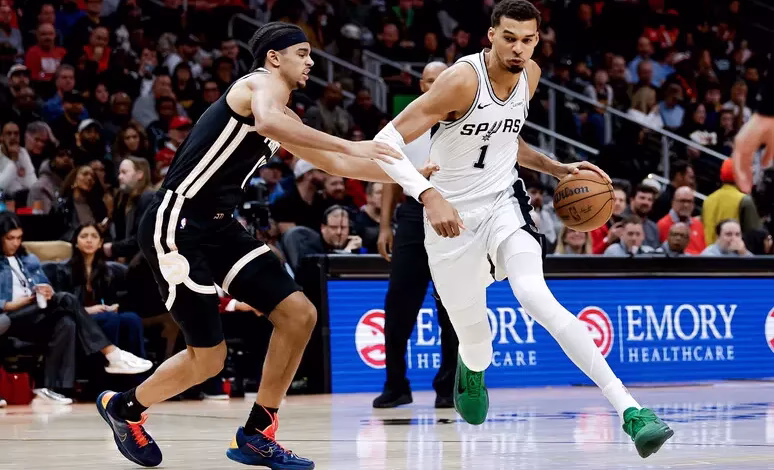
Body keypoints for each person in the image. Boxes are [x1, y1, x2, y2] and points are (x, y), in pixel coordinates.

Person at [95, 22, 452, 469]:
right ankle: (125, 407)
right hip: (177, 221)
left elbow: (335, 162)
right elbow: (275, 124)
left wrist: (412, 177)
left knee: (299, 314)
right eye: (302, 53)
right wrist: (352, 143)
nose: (311, 61)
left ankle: (257, 433)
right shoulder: (256, 86)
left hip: (220, 227)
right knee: (209, 360)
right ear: (274, 57)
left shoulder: (286, 117)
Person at [369, 0, 672, 459]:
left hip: (503, 204)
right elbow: (385, 142)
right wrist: (428, 195)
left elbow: (506, 139)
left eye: (527, 40)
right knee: (477, 343)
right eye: (509, 38)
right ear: (491, 35)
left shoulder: (530, 75)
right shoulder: (460, 81)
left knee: (535, 295)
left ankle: (632, 411)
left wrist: (556, 167)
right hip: (450, 224)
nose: (518, 48)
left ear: (537, 41)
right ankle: (472, 366)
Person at [373, 61, 458, 410]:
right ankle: (396, 386)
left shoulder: (466, 121)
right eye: (430, 80)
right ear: (422, 85)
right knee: (398, 304)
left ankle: (448, 388)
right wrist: (384, 225)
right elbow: (389, 176)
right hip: (412, 214)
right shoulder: (406, 122)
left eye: (442, 79)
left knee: (452, 307)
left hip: (455, 214)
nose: (435, 85)